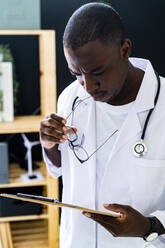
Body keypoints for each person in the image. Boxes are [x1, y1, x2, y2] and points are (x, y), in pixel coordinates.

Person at [40, 2, 165, 248]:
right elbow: (60, 170)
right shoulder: (70, 98)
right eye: (76, 72)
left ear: (124, 49)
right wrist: (49, 144)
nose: (87, 86)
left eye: (98, 71)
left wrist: (149, 226)